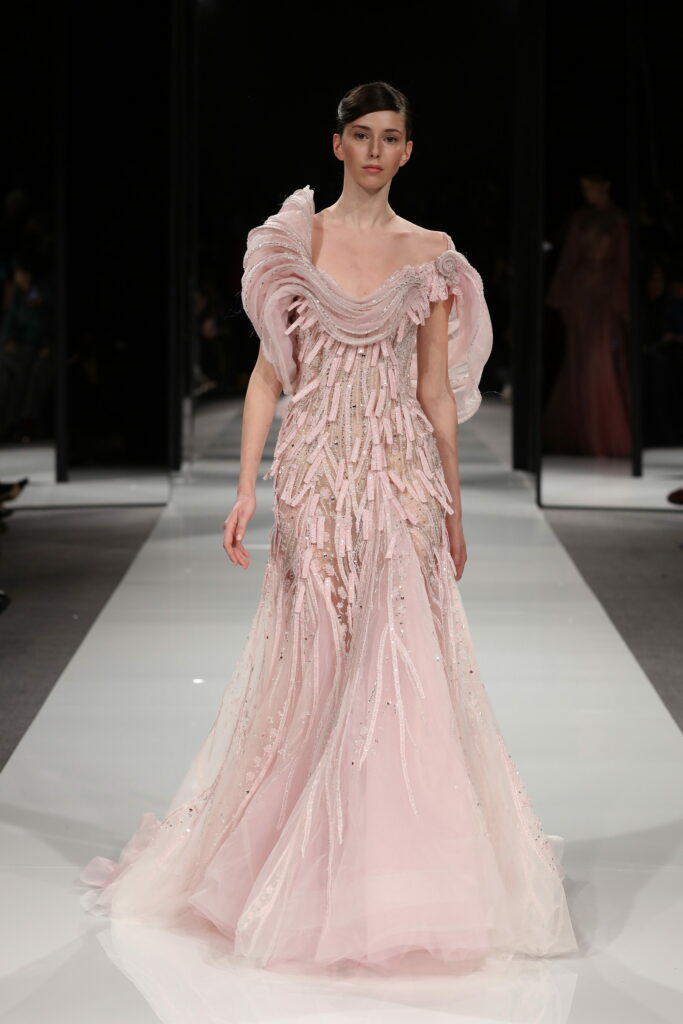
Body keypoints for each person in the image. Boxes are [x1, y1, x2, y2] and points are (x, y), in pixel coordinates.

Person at [79, 81, 578, 974]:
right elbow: (268, 376)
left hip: (396, 478)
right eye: (362, 134)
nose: (376, 150)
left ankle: (388, 882)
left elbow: (433, 392)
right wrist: (244, 489)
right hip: (313, 477)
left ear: (408, 151)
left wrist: (453, 507)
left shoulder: (431, 255)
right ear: (337, 143)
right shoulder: (293, 244)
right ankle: (301, 870)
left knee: (396, 666)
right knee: (313, 667)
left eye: (391, 137)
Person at [542, 167, 632, 457]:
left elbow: (623, 262)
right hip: (580, 296)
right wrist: (561, 298)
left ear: (605, 184)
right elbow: (569, 259)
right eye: (584, 188)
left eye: (590, 186)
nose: (587, 193)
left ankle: (603, 436)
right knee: (580, 361)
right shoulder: (581, 218)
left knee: (600, 359)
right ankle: (582, 435)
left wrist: (624, 303)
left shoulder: (618, 220)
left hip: (606, 297)